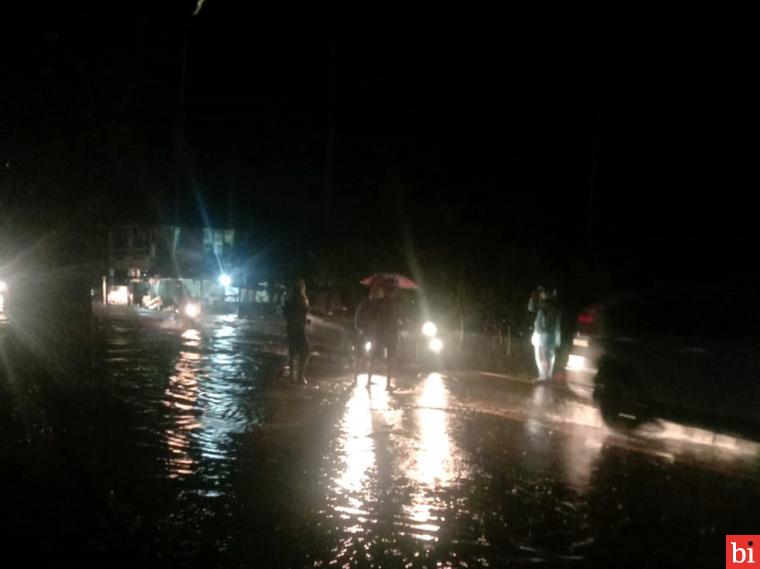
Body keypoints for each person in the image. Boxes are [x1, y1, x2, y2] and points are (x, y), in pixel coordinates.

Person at [369, 277, 402, 391]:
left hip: (380, 332)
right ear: (393, 291)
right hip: (391, 334)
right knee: (390, 359)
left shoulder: (379, 302)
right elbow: (399, 318)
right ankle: (388, 384)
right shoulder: (396, 304)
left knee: (374, 356)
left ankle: (369, 380)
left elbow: (372, 316)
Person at [528, 286, 561, 382]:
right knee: (543, 354)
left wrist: (534, 297)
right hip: (543, 332)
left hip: (546, 332)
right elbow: (531, 308)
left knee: (544, 354)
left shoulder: (550, 303)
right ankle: (545, 376)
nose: (542, 294)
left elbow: (532, 307)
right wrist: (534, 297)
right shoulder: (548, 303)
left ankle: (545, 376)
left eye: (543, 292)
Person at [283, 278, 310, 384]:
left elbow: (286, 314)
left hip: (291, 328)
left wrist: (303, 320)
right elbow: (301, 313)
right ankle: (300, 377)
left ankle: (293, 376)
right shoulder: (301, 299)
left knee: (293, 352)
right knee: (305, 352)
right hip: (298, 329)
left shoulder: (290, 300)